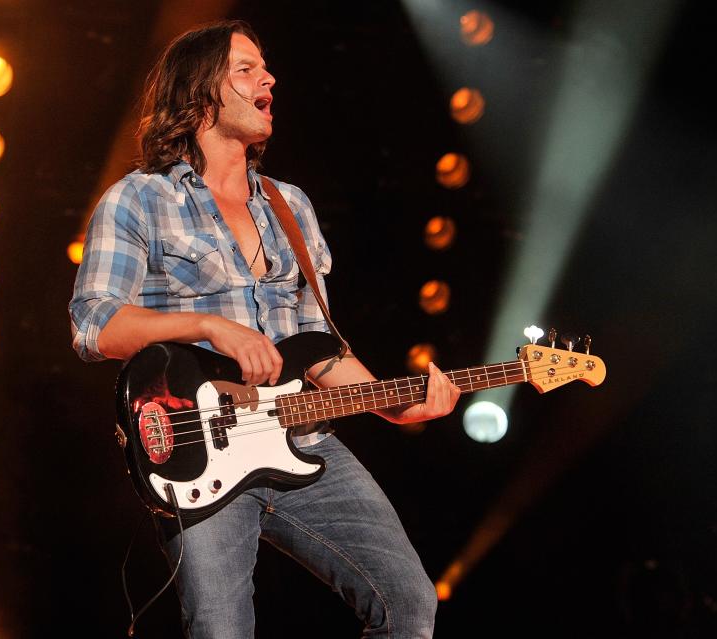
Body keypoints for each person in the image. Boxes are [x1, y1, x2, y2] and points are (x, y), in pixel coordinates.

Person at [69, 20, 461, 638]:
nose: (268, 79)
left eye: (266, 67)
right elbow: (95, 326)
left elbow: (318, 343)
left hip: (305, 439)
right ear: (200, 95)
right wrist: (208, 326)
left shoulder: (290, 205)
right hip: (199, 453)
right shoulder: (139, 200)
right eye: (246, 70)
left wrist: (396, 407)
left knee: (409, 604)